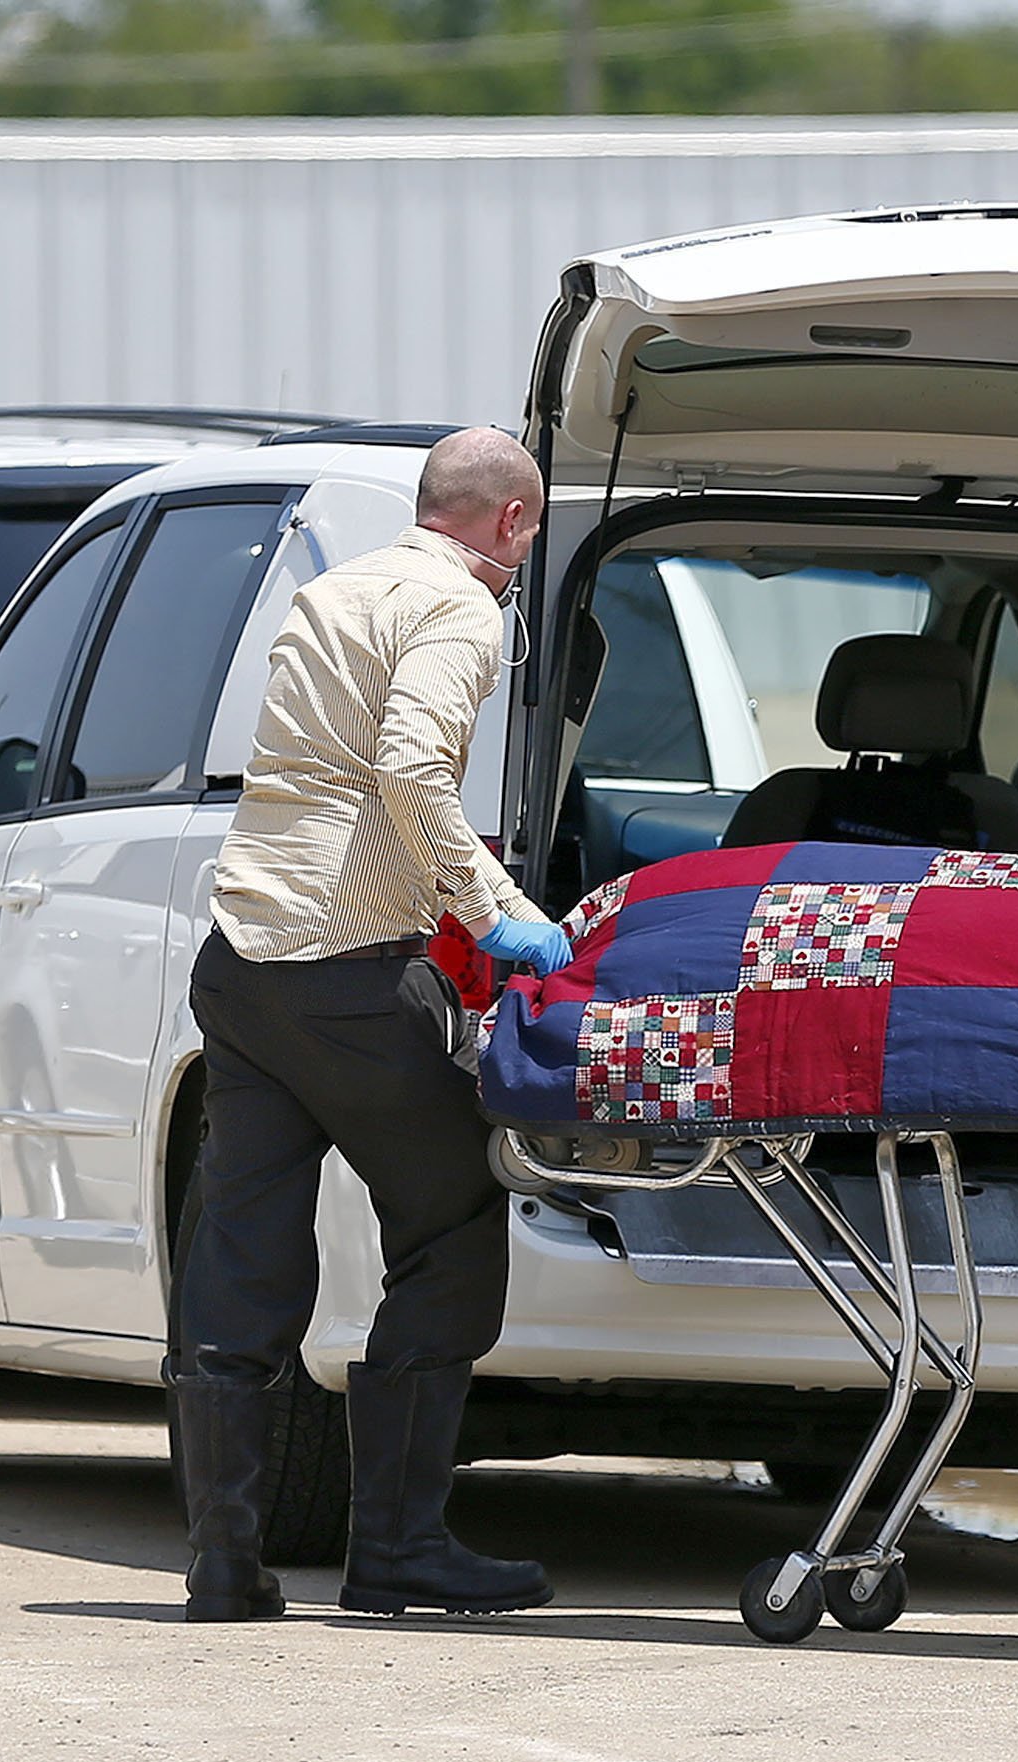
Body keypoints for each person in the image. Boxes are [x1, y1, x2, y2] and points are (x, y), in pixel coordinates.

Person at [171, 428, 576, 1624]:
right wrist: (499, 910)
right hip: (352, 971)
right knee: (451, 1221)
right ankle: (397, 1548)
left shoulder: (331, 589)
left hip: (243, 966)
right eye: (531, 536)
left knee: (242, 1255)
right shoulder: (461, 610)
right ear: (510, 523)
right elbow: (411, 770)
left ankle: (224, 1561)